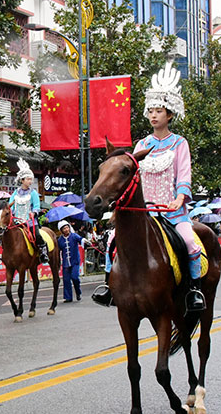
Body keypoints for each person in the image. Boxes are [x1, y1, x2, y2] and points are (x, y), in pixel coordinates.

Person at [93, 63, 204, 312]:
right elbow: (132, 177)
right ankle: (109, 287)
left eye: (159, 111)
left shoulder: (179, 143)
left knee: (189, 242)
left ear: (170, 114)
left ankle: (193, 291)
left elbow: (184, 176)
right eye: (151, 111)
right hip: (145, 212)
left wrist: (180, 198)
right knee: (112, 239)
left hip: (172, 211)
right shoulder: (142, 144)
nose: (154, 116)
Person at [9, 158, 48, 263]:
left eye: (31, 179)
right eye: (28, 179)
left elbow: (36, 206)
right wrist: (11, 213)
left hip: (29, 220)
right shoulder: (15, 193)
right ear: (22, 180)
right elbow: (11, 206)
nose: (30, 181)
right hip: (17, 221)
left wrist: (34, 212)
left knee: (37, 235)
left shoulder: (33, 193)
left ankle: (43, 252)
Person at [57, 220, 88, 302]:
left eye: (67, 227)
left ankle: (78, 292)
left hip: (75, 261)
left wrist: (84, 241)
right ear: (61, 230)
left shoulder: (74, 236)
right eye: (64, 228)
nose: (66, 229)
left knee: (75, 277)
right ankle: (68, 297)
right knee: (66, 280)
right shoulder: (60, 240)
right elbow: (57, 250)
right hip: (66, 263)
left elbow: (80, 239)